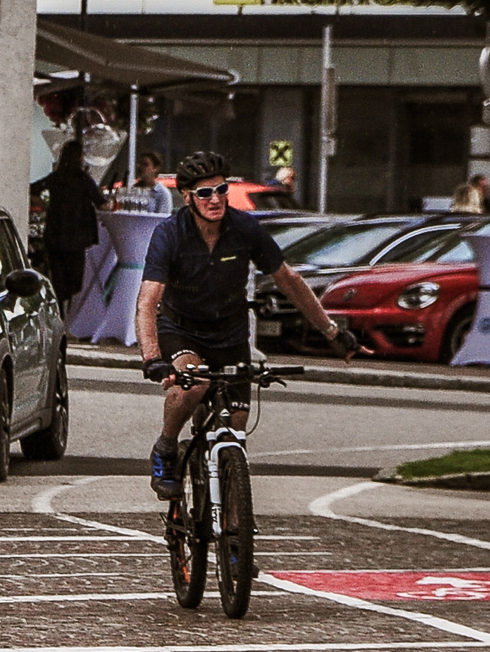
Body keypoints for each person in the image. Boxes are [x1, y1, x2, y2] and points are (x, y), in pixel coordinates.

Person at [135, 150, 359, 500]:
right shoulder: (170, 234)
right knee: (193, 384)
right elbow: (148, 302)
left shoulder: (244, 229)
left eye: (221, 190)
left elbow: (288, 279)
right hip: (181, 328)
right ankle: (165, 448)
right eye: (204, 193)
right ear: (187, 197)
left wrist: (332, 332)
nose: (215, 199)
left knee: (236, 425)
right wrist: (152, 358)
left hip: (230, 332)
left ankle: (234, 530)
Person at [31, 142, 108, 308]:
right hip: (76, 235)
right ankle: (70, 310)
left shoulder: (56, 177)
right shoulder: (83, 179)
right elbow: (101, 203)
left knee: (57, 278)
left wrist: (45, 205)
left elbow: (33, 189)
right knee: (74, 279)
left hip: (55, 233)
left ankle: (60, 309)